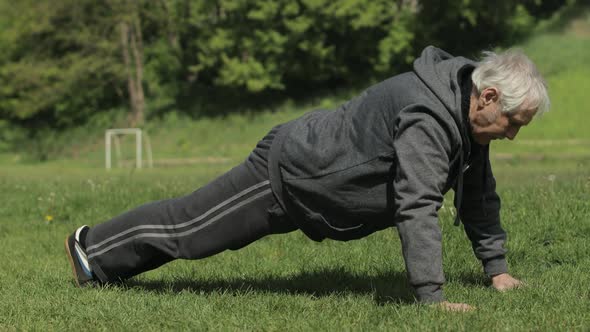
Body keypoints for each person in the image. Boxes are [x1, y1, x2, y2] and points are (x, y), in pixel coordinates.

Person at [65, 46, 550, 312]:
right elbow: (417, 205)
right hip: (291, 173)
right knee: (189, 231)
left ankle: (102, 263)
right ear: (486, 96)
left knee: (192, 235)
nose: (512, 136)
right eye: (513, 123)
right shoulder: (430, 116)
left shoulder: (468, 127)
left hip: (314, 192)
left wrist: (498, 270)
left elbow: (479, 198)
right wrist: (432, 297)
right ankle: (92, 251)